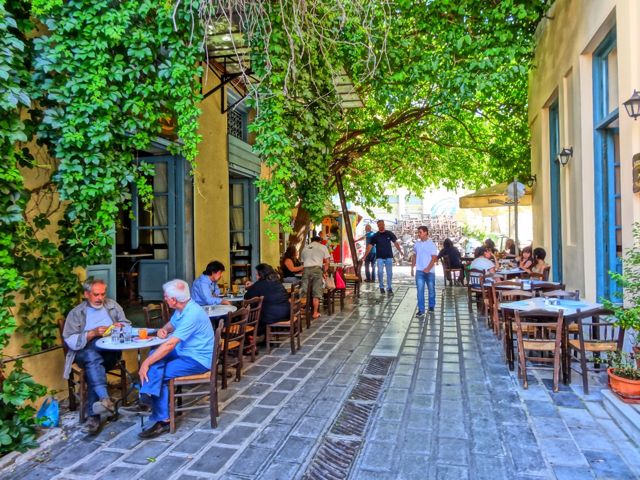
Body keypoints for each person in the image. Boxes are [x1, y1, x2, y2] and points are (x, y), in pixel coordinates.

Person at [134, 279, 214, 439]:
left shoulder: (192, 314)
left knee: (158, 371)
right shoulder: (181, 309)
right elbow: (171, 325)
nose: (164, 298)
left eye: (166, 296)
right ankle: (147, 395)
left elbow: (170, 345)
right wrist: (163, 330)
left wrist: (145, 364)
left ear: (174, 300)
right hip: (184, 351)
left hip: (197, 359)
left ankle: (163, 420)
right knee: (154, 355)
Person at [62, 278, 130, 435]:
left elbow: (127, 324)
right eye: (96, 294)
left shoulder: (113, 306)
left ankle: (99, 408)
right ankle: (100, 406)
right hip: (84, 353)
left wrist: (119, 327)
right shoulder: (76, 313)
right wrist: (92, 334)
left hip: (110, 353)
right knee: (92, 356)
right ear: (86, 294)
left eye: (103, 294)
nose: (100, 298)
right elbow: (70, 340)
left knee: (94, 366)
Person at [245, 264, 290, 334]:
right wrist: (254, 285)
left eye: (257, 274)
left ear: (261, 275)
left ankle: (250, 336)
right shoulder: (277, 282)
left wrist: (251, 287)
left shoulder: (259, 284)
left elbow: (247, 297)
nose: (256, 276)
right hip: (286, 314)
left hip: (271, 317)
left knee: (250, 315)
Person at [364, 220, 402, 295]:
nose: (381, 226)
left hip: (388, 256)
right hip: (379, 257)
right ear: (378, 226)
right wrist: (365, 255)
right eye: (379, 225)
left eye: (382, 224)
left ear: (384, 224)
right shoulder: (375, 235)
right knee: (380, 272)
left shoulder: (389, 233)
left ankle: (389, 288)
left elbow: (395, 242)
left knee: (389, 273)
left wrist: (400, 251)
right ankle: (381, 287)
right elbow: (369, 246)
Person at [300, 236, 331, 319]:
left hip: (306, 270)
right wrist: (324, 272)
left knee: (304, 290)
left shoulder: (305, 248)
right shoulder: (323, 247)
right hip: (317, 269)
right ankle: (315, 313)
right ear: (319, 241)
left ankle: (300, 310)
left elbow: (303, 263)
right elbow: (327, 262)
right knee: (316, 292)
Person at [411, 226, 438, 315]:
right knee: (420, 290)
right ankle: (421, 309)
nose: (419, 234)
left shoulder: (431, 244)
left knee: (431, 289)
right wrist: (412, 267)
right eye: (418, 232)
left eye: (420, 232)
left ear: (426, 232)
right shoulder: (416, 244)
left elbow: (434, 258)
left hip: (430, 271)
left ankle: (431, 306)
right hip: (419, 270)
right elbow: (414, 255)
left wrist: (428, 268)